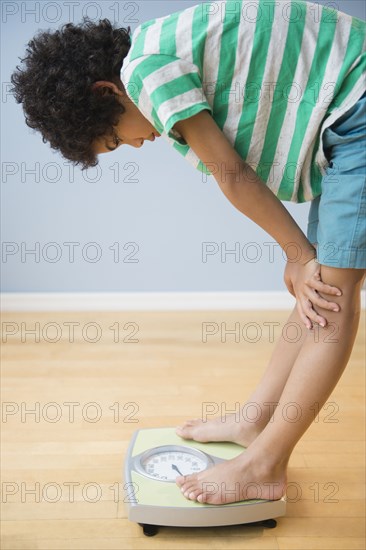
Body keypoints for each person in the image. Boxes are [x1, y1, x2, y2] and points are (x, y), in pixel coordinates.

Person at [11, 0, 365, 505]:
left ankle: (265, 466)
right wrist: (301, 255)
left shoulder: (148, 71)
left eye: (114, 139)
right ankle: (254, 421)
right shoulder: (157, 58)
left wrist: (295, 253)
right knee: (318, 286)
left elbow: (232, 173)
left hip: (359, 106)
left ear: (106, 92)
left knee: (331, 292)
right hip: (346, 116)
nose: (133, 146)